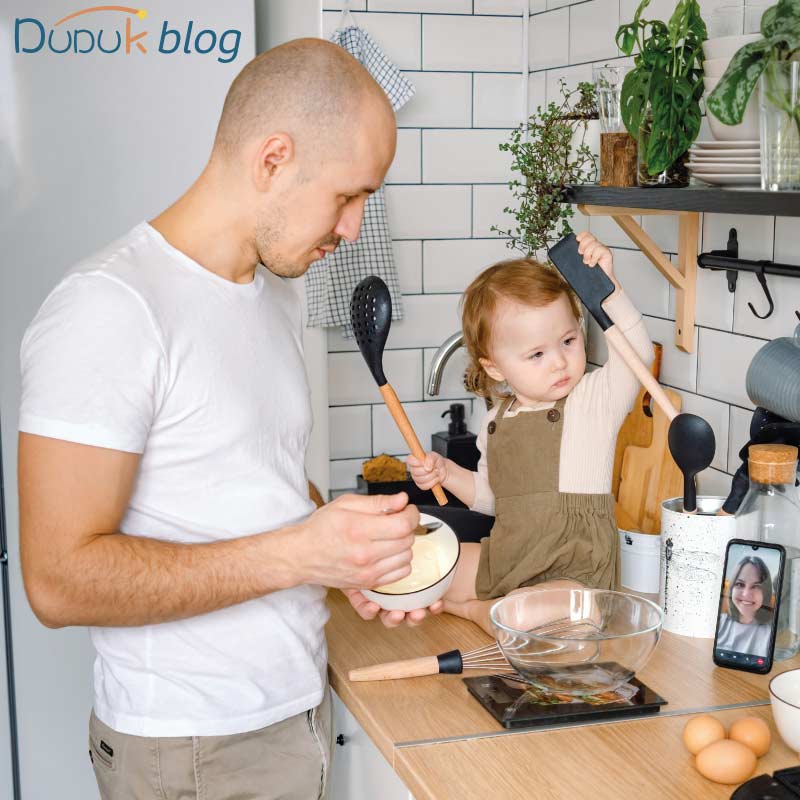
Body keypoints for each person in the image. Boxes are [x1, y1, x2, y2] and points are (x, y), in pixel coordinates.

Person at [17, 39, 440, 800]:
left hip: (291, 713)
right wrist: (301, 556)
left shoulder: (272, 293)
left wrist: (344, 558)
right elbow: (57, 579)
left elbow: (255, 476)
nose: (352, 230)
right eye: (349, 195)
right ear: (273, 159)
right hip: (188, 747)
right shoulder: (110, 309)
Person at [407, 232, 652, 635]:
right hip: (508, 559)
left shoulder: (592, 400)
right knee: (419, 561)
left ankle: (476, 611)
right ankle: (487, 608)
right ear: (495, 368)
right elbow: (492, 499)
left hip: (573, 570)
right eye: (537, 354)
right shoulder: (496, 420)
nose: (559, 362)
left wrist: (606, 291)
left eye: (569, 341)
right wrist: (447, 474)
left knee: (537, 612)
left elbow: (637, 356)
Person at [717, 556, 774, 657]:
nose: (746, 594)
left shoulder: (771, 636)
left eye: (756, 586)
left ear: (765, 592)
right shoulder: (718, 622)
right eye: (740, 584)